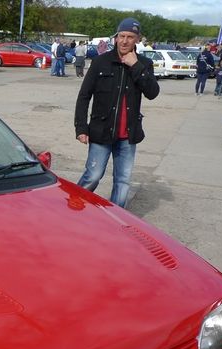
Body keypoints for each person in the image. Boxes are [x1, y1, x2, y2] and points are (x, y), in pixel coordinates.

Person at [74, 18, 159, 208]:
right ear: (116, 37)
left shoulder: (144, 64)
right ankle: (73, 207)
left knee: (122, 181)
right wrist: (81, 127)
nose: (125, 41)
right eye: (122, 36)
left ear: (137, 39)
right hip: (101, 131)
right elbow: (84, 96)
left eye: (130, 37)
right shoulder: (101, 61)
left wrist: (135, 66)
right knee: (93, 175)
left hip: (128, 136)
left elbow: (152, 93)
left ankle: (116, 222)